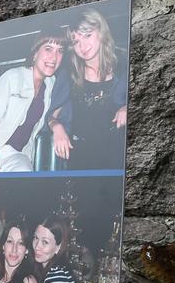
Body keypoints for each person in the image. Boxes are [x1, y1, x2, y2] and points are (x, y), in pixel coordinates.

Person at [0, 27, 67, 172]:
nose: (54, 57)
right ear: (35, 54)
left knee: (24, 175)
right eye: (48, 49)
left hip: (16, 155)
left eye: (60, 51)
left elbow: (57, 109)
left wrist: (56, 126)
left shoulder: (51, 84)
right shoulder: (12, 77)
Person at [47, 9, 128, 170]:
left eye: (87, 35)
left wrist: (127, 107)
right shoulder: (69, 73)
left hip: (121, 152)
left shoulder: (125, 63)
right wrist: (56, 127)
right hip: (82, 155)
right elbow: (51, 116)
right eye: (76, 42)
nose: (82, 46)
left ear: (101, 32)